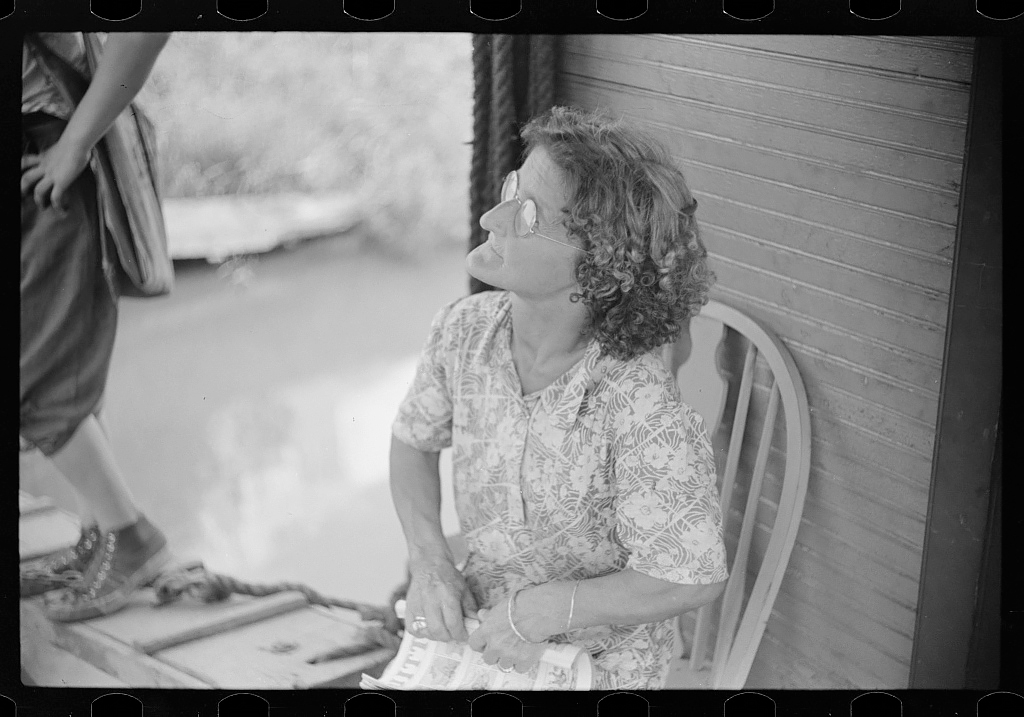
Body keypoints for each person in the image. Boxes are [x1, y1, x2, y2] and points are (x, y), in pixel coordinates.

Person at [389, 106, 729, 689]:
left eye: (525, 213)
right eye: (509, 189)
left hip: (591, 671)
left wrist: (546, 611)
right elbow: (411, 443)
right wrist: (430, 560)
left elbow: (691, 577)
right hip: (485, 644)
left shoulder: (637, 401)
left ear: (597, 270)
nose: (490, 216)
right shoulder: (465, 330)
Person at [20, 32, 173, 622]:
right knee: (60, 369)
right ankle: (98, 539)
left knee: (33, 380)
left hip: (48, 152)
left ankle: (133, 539)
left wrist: (76, 143)